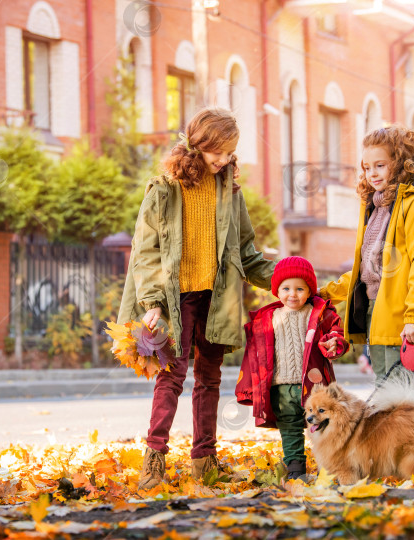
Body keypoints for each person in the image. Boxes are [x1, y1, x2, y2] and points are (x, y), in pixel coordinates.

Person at [118, 107, 276, 490]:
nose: (224, 159)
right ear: (198, 144)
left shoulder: (230, 192)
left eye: (230, 152)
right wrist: (152, 301)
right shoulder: (164, 188)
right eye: (218, 151)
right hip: (175, 298)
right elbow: (145, 251)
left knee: (209, 379)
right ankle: (153, 461)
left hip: (216, 297)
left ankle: (205, 462)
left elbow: (246, 251)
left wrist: (286, 279)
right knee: (170, 377)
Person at [319, 125, 414, 386]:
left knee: (399, 394)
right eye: (367, 167)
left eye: (380, 165)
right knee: (385, 387)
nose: (372, 174)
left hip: (401, 314)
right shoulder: (375, 208)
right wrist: (326, 292)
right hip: (374, 310)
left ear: (400, 164)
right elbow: (367, 269)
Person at [235, 256, 348, 480]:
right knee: (290, 430)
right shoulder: (267, 318)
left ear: (309, 291)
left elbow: (336, 334)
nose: (292, 294)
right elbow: (255, 356)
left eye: (300, 288)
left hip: (315, 388)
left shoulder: (319, 313)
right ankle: (296, 471)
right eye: (286, 288)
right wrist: (250, 386)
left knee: (326, 429)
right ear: (277, 291)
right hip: (281, 387)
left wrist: (334, 343)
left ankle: (330, 469)